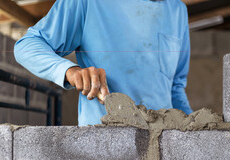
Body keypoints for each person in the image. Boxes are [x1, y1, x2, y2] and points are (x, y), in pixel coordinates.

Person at [14, 0, 193, 126]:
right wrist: (71, 71)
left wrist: (194, 129)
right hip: (104, 143)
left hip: (162, 143)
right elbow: (26, 45)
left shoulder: (178, 10)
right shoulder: (87, 2)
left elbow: (175, 87)